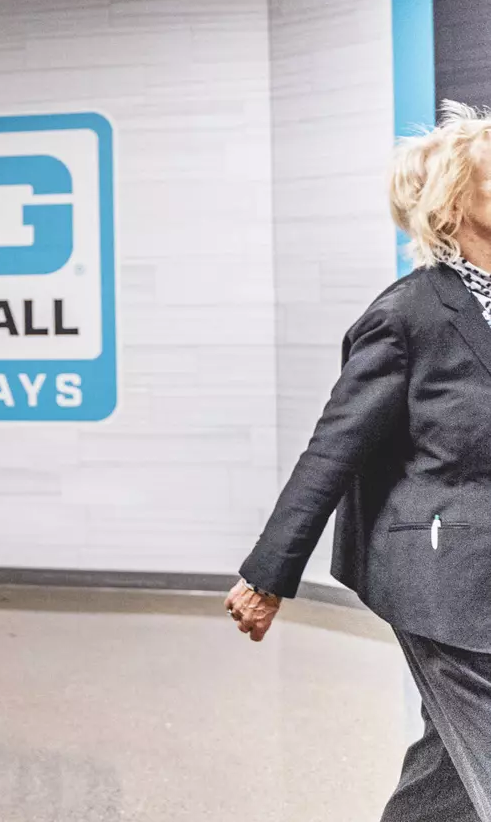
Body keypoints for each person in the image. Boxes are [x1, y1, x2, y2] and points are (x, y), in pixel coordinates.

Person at [231, 101, 491, 819]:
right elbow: (333, 449)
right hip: (444, 578)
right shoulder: (408, 315)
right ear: (452, 203)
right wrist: (268, 574)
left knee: (447, 776)